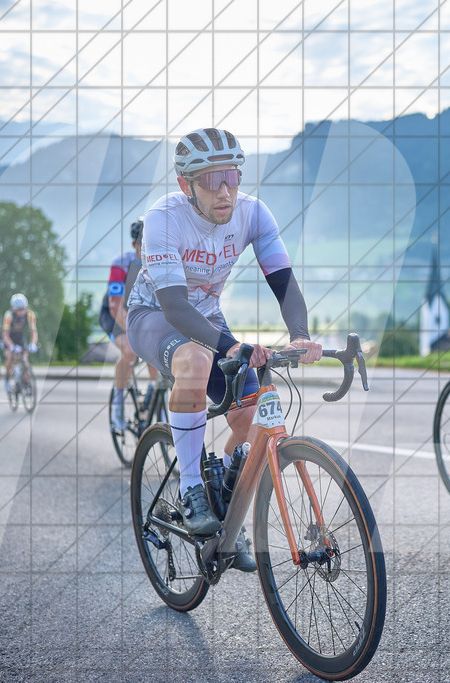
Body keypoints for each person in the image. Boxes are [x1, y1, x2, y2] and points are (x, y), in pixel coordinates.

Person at [126, 127, 321, 549]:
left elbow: (284, 282)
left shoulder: (254, 214)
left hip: (208, 319)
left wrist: (301, 336)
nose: (225, 192)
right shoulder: (164, 217)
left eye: (232, 177)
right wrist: (231, 346)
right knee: (196, 361)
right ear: (186, 185)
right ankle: (192, 487)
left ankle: (226, 508)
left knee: (248, 417)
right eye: (212, 181)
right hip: (155, 314)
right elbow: (177, 308)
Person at [99, 217, 159, 432]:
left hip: (141, 314)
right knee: (131, 351)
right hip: (115, 314)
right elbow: (115, 306)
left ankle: (154, 399)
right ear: (135, 245)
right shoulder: (121, 264)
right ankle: (117, 407)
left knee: (158, 352)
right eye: (144, 244)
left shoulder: (161, 262)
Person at [1, 293, 38, 393]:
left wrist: (33, 343)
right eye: (19, 309)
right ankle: (7, 379)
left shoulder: (30, 314)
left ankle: (26, 383)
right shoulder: (9, 315)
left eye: (23, 309)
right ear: (14, 309)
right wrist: (11, 346)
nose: (22, 312)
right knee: (11, 357)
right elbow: (5, 334)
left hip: (20, 338)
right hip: (8, 339)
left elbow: (33, 331)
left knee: (24, 360)